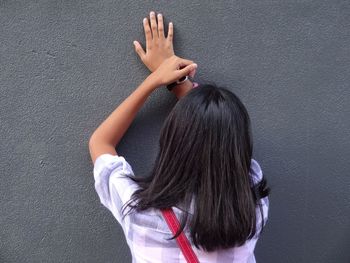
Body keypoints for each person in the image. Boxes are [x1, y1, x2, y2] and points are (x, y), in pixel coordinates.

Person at [89, 11, 270, 263]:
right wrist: (179, 85)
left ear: (173, 142)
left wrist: (156, 79)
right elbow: (219, 142)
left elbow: (100, 143)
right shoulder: (253, 205)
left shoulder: (140, 212)